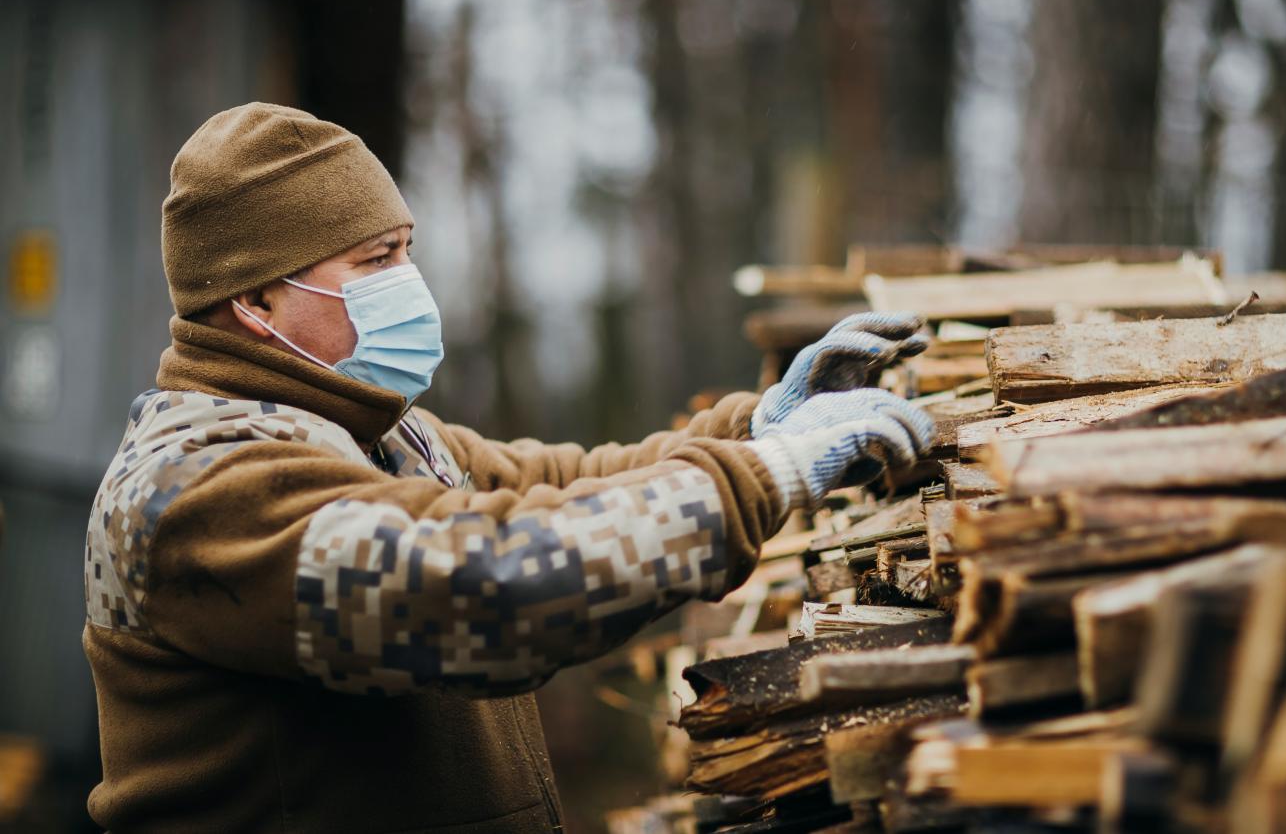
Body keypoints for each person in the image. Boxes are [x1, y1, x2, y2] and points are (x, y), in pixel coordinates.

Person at [83, 102, 934, 832]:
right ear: (256, 300)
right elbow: (480, 585)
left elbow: (557, 484)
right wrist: (768, 475)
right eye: (375, 260)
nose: (409, 280)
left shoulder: (369, 432)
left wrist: (757, 428)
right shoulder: (195, 487)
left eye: (406, 249)